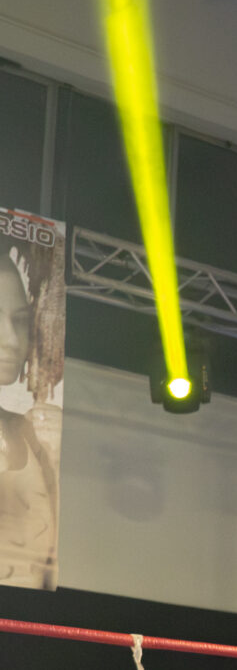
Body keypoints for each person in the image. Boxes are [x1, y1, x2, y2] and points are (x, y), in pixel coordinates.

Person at [0, 244, 62, 591]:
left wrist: (52, 460)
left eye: (20, 322)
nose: (11, 340)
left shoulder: (34, 432)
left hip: (31, 618)